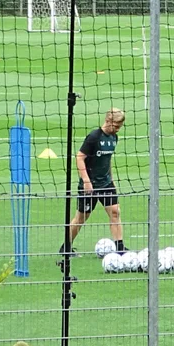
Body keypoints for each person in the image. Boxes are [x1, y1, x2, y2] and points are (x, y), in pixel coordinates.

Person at [62, 108, 127, 256]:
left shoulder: (113, 138)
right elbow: (79, 157)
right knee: (81, 217)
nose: (117, 130)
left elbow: (107, 160)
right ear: (108, 121)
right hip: (89, 185)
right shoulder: (94, 137)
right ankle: (66, 246)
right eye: (116, 126)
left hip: (106, 184)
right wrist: (86, 181)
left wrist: (112, 179)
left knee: (115, 212)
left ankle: (120, 248)